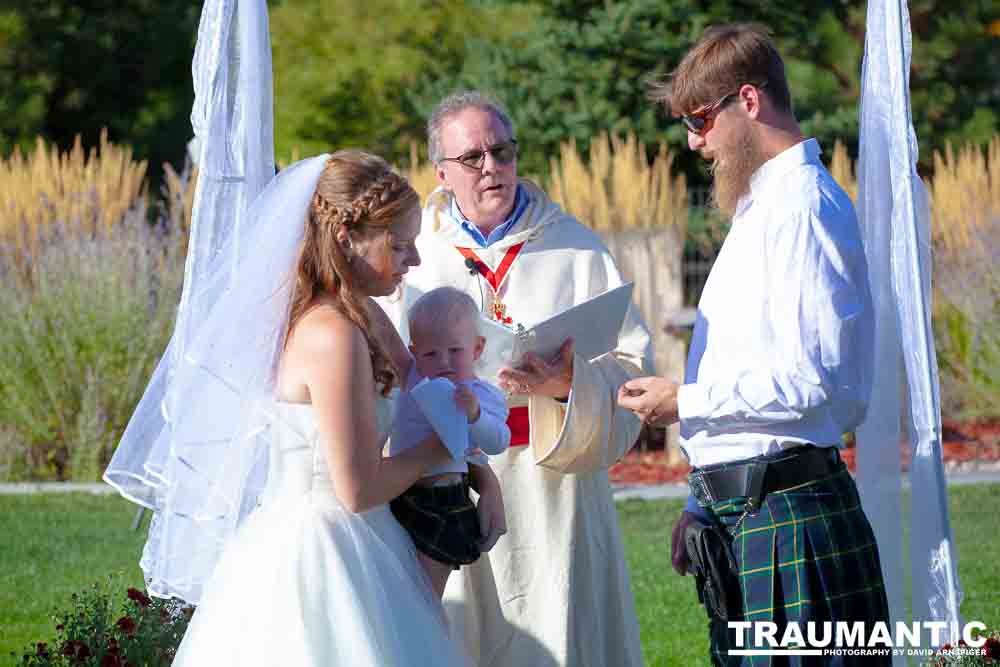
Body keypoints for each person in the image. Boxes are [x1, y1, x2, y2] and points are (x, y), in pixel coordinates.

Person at [110, 151, 515, 665]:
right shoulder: (334, 335)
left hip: (367, 537)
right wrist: (444, 446)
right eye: (399, 245)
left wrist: (483, 477)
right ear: (346, 239)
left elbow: (424, 392)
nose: (413, 260)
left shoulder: (362, 314)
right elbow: (357, 488)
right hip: (321, 552)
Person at [618, 24, 890, 666]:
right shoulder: (762, 207)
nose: (694, 140)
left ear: (748, 100)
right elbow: (748, 365)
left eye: (700, 118)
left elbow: (818, 383)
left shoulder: (802, 210)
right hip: (751, 514)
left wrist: (684, 401)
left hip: (793, 516)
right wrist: (702, 498)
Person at [377, 90, 651, 667]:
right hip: (446, 477)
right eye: (472, 158)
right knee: (457, 638)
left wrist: (565, 384)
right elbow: (387, 371)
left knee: (557, 632)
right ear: (442, 172)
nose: (490, 167)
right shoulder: (418, 256)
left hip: (557, 483)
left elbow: (632, 367)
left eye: (501, 151)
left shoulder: (574, 247)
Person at [388, 286, 511, 600]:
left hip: (442, 497)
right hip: (397, 490)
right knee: (396, 585)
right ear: (415, 353)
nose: (443, 361)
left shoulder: (481, 394)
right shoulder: (413, 377)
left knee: (425, 594)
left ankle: (430, 639)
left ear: (477, 348)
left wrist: (475, 416)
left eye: (455, 351)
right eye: (430, 353)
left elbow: (499, 440)